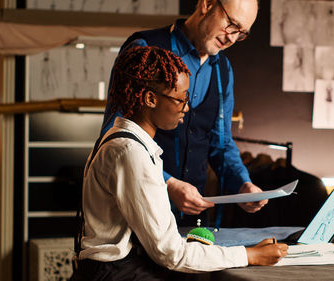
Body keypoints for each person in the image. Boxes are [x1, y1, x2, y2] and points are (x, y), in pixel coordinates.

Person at [71, 46, 288, 280]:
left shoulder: (123, 142)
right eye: (181, 98)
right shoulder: (129, 152)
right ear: (150, 98)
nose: (186, 107)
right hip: (115, 273)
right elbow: (171, 254)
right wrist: (249, 255)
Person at [100, 0, 267, 226]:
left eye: (241, 33)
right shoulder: (144, 49)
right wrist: (167, 184)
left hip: (193, 221)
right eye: (231, 24)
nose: (232, 38)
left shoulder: (223, 70)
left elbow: (221, 143)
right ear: (206, 4)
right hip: (139, 212)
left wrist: (243, 184)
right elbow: (115, 136)